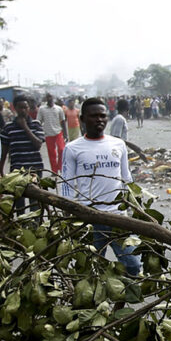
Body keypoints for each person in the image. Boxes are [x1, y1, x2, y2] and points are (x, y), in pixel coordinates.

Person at [61, 98, 142, 277]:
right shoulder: (72, 149)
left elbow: (126, 179)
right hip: (89, 218)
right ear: (82, 119)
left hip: (118, 218)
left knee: (133, 266)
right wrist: (67, 213)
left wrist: (136, 206)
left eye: (102, 116)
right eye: (94, 116)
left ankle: (119, 305)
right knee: (89, 272)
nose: (99, 120)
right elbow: (66, 184)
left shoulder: (118, 144)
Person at [0, 95, 46, 212]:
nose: (23, 110)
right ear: (15, 108)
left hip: (35, 169)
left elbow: (38, 144)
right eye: (20, 108)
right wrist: (0, 170)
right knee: (19, 201)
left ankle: (34, 227)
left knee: (34, 201)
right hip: (17, 170)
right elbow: (4, 151)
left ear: (29, 108)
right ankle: (21, 227)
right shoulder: (8, 127)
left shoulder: (36, 124)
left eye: (25, 107)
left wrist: (25, 127)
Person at [38, 93, 68, 172]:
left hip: (58, 132)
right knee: (52, 153)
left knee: (61, 150)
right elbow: (39, 122)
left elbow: (63, 121)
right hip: (48, 134)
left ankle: (60, 167)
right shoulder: (42, 109)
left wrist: (66, 134)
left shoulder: (58, 109)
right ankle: (54, 170)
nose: (50, 98)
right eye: (48, 97)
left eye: (51, 97)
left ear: (53, 98)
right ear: (46, 98)